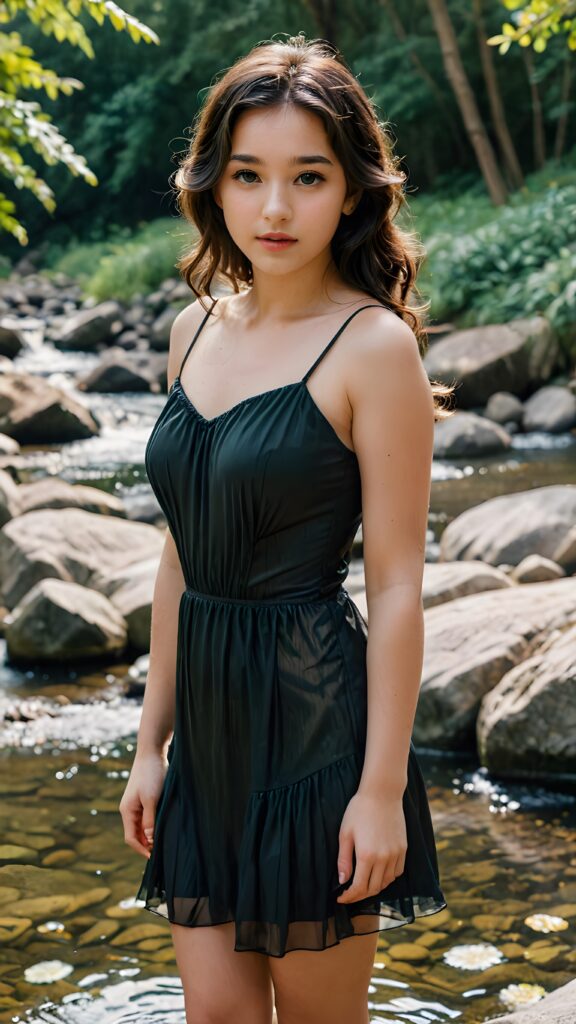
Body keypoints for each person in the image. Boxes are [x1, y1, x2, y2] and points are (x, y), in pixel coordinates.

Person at [119, 32, 453, 1024]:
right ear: (211, 185)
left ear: (351, 190)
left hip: (315, 732)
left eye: (307, 177)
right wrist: (152, 743)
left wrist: (381, 787)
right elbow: (183, 547)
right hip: (208, 738)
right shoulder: (194, 329)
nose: (274, 208)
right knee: (214, 1017)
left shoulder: (373, 347)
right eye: (247, 175)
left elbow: (396, 584)